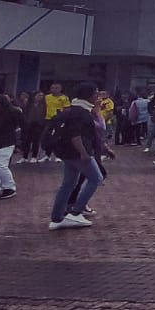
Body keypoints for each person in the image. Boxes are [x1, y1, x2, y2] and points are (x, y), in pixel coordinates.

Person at [47, 82, 105, 230]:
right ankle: (76, 212)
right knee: (96, 178)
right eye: (96, 93)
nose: (97, 96)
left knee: (68, 184)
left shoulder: (71, 110)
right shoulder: (82, 113)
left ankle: (57, 218)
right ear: (89, 95)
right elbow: (76, 135)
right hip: (78, 152)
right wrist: (84, 153)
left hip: (65, 152)